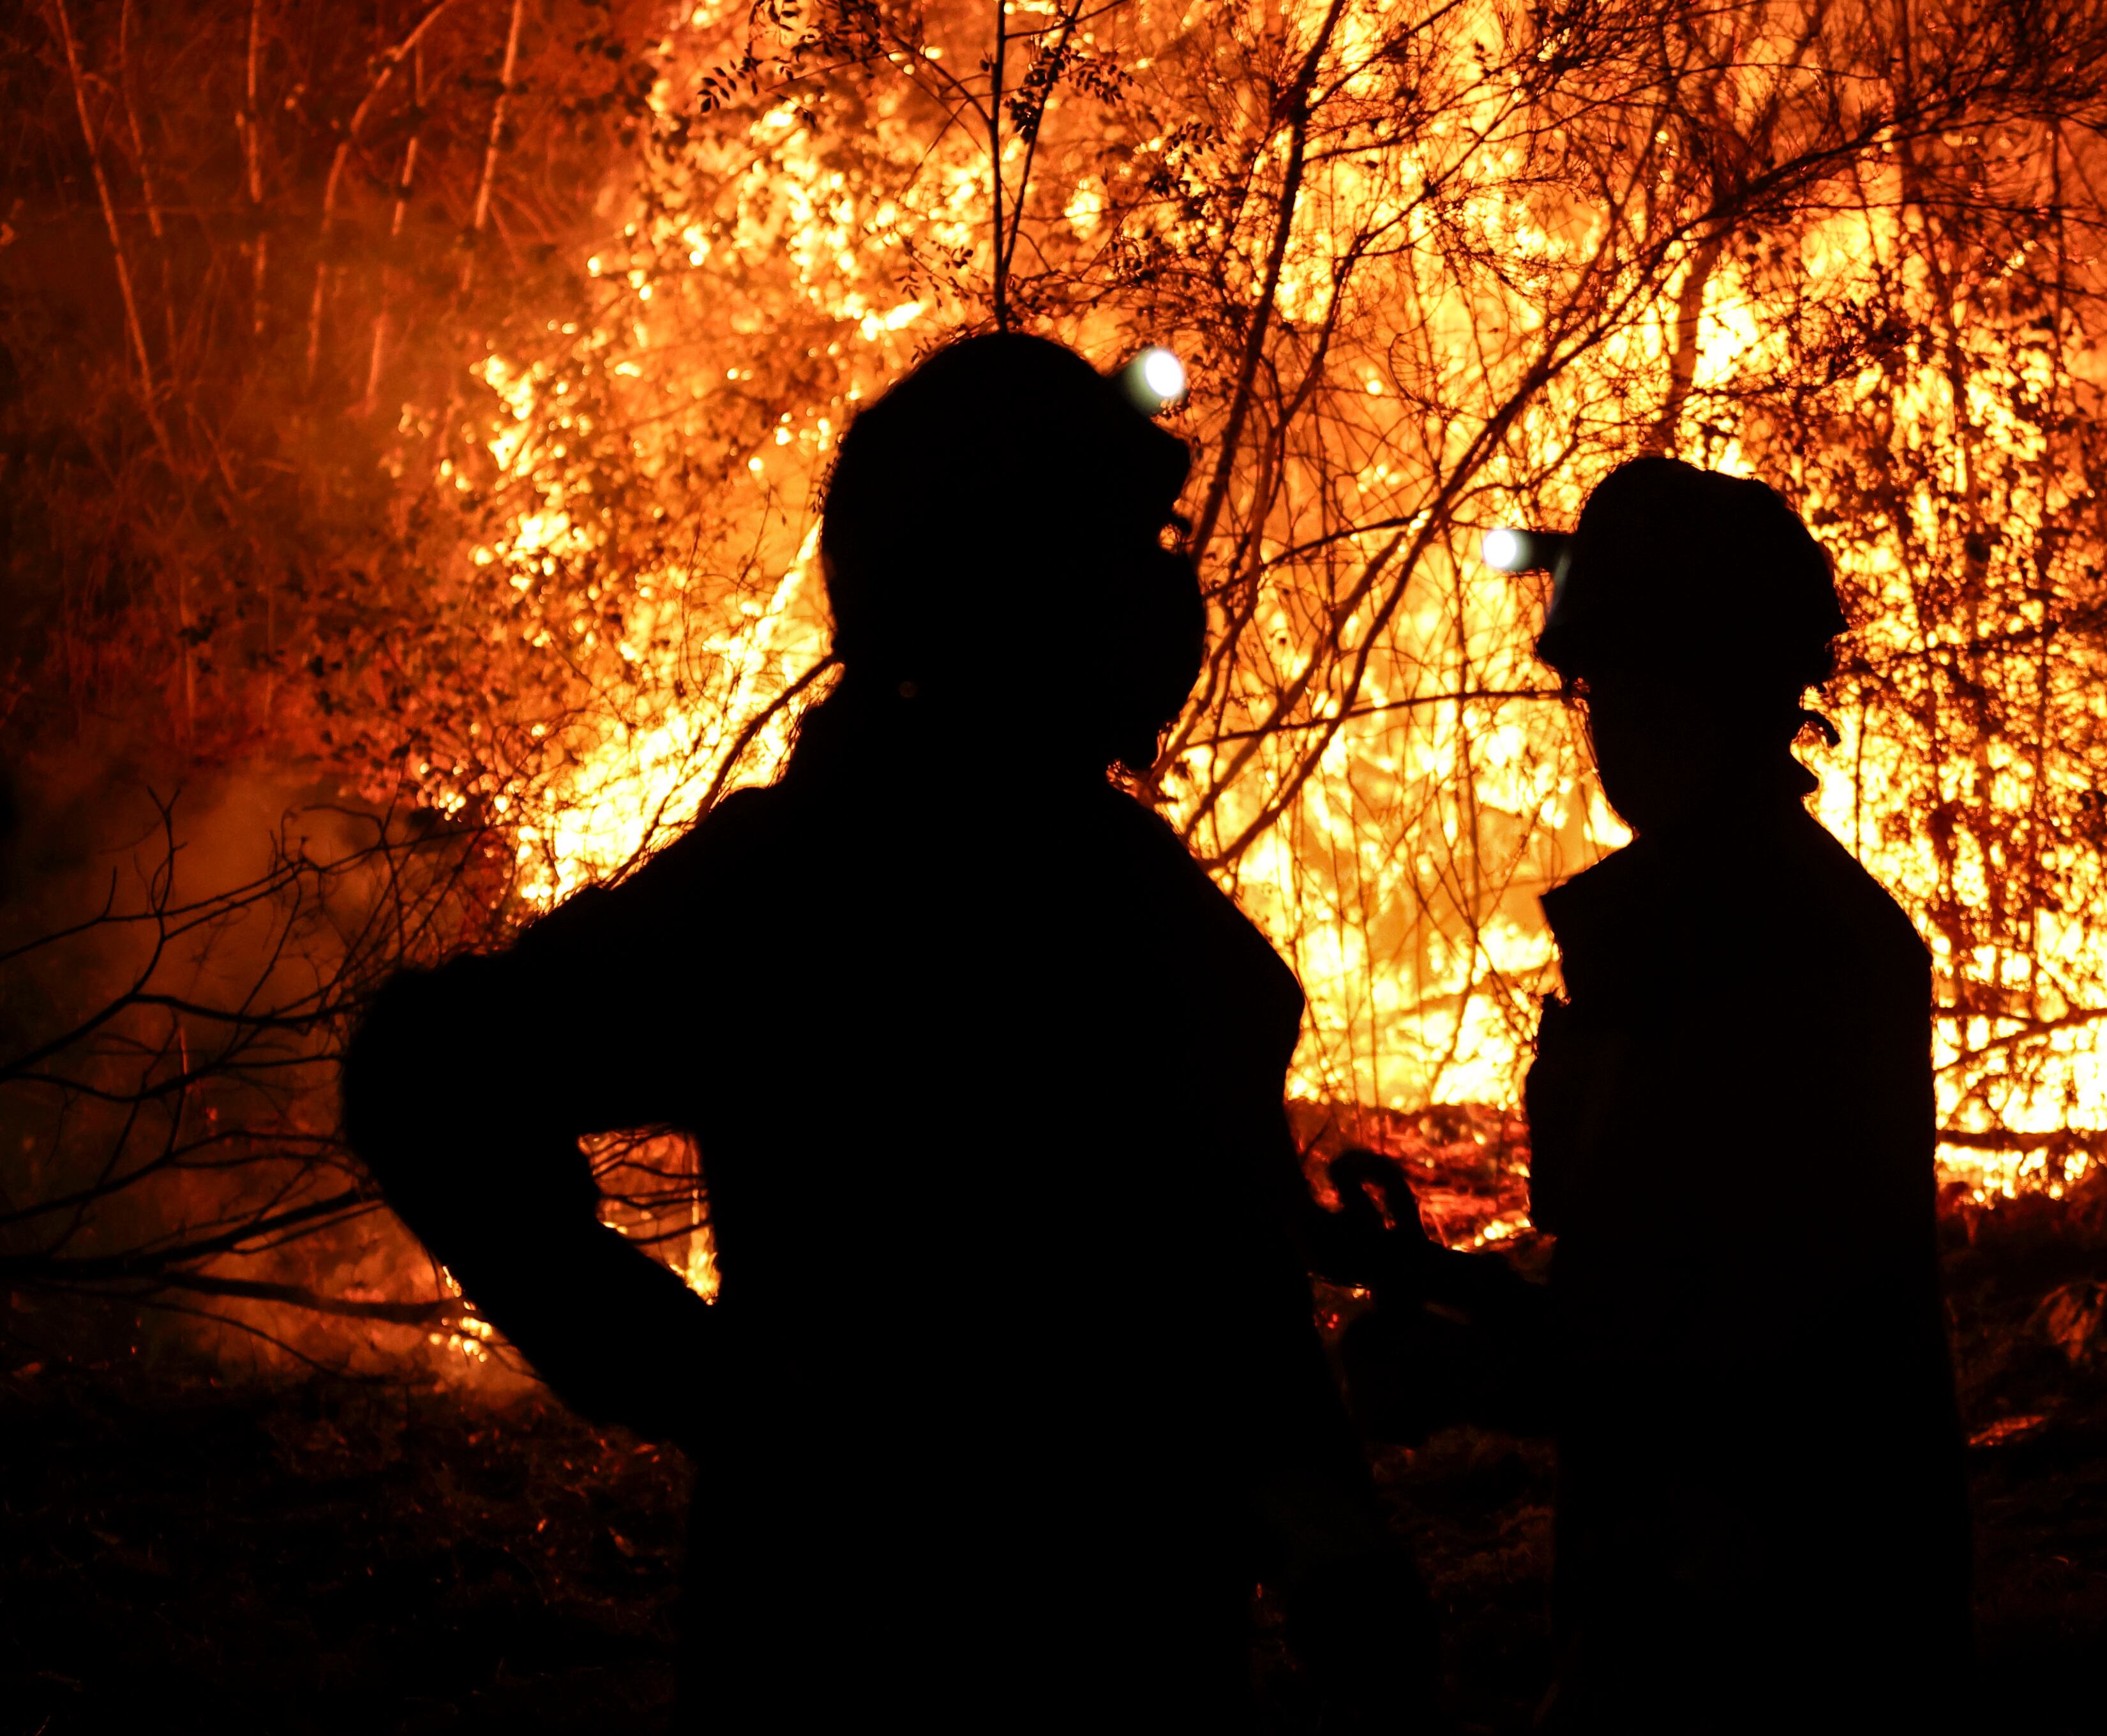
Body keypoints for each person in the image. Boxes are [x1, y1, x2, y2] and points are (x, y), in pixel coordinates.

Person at [343, 331, 1437, 1730]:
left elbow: (1208, 1269)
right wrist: (711, 1393)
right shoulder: (814, 884)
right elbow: (430, 1072)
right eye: (1123, 540)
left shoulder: (1091, 885)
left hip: (1114, 1646)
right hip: (870, 1660)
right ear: (1006, 582)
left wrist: (1315, 1505)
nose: (1169, 583)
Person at [1331, 458, 1973, 1726]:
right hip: (1720, 1604)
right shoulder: (1722, 924)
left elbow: (1728, 1353)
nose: (1593, 718)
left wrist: (1469, 1371)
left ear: (1685, 685)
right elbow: (1649, 1285)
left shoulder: (1759, 947)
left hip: (1770, 1650)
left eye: (1603, 680)